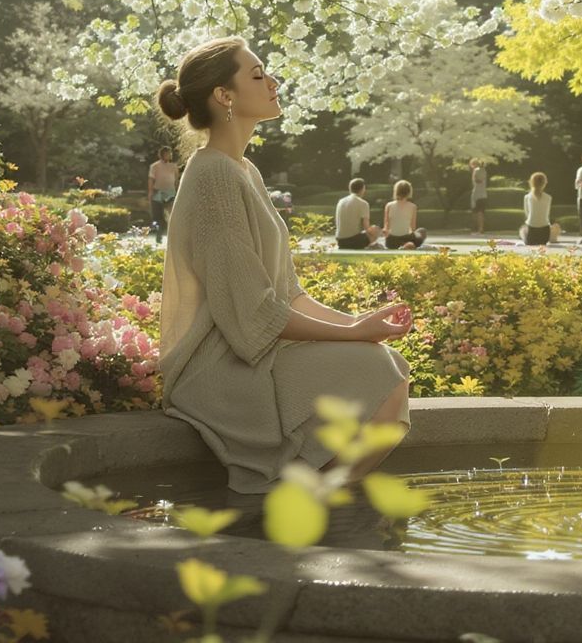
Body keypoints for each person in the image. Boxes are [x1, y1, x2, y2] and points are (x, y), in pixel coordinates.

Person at [156, 36, 411, 493]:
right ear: (224, 95)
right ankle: (322, 503)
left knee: (388, 364)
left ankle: (328, 500)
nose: (273, 82)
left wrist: (359, 323)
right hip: (220, 367)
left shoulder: (243, 170)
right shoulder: (213, 175)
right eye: (257, 74)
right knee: (380, 370)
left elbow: (287, 294)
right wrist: (354, 335)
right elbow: (252, 311)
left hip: (257, 349)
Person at [335, 178, 380, 249]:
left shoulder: (341, 201)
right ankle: (372, 245)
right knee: (375, 229)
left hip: (340, 241)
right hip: (354, 241)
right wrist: (373, 238)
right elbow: (366, 227)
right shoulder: (363, 203)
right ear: (362, 189)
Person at [147, 146, 180, 244]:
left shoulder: (174, 166)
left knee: (173, 215)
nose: (170, 155)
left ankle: (173, 237)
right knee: (158, 216)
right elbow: (151, 179)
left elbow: (176, 180)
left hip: (171, 193)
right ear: (162, 154)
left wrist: (178, 191)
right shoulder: (154, 166)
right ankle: (159, 235)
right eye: (167, 153)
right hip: (158, 193)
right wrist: (150, 192)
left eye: (170, 153)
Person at [383, 180, 427, 250]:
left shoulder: (389, 205)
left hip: (391, 241)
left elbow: (386, 226)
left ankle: (404, 245)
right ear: (409, 192)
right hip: (407, 238)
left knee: (417, 233)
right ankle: (407, 245)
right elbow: (413, 228)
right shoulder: (413, 207)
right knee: (422, 231)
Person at [521, 172, 552, 246]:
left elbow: (527, 214)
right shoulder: (548, 198)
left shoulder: (527, 197)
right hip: (545, 233)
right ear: (544, 183)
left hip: (531, 231)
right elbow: (547, 214)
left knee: (522, 229)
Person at [470, 158, 488, 235]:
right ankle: (481, 228)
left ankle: (478, 229)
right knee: (481, 212)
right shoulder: (484, 171)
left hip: (477, 195)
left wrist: (474, 176)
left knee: (477, 212)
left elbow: (477, 181)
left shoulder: (476, 171)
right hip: (483, 194)